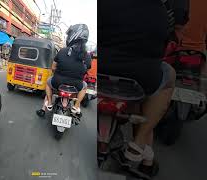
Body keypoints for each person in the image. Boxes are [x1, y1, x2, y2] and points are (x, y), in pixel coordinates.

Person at [100, 0, 188, 178]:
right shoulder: (160, 11)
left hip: (101, 71)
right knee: (168, 74)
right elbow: (160, 49)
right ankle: (139, 142)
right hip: (141, 79)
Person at [36, 24, 91, 117]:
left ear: (73, 36)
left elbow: (53, 67)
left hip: (57, 82)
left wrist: (57, 73)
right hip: (77, 86)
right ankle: (77, 105)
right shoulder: (87, 55)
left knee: (49, 82)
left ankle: (48, 104)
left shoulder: (63, 50)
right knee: (85, 86)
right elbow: (87, 69)